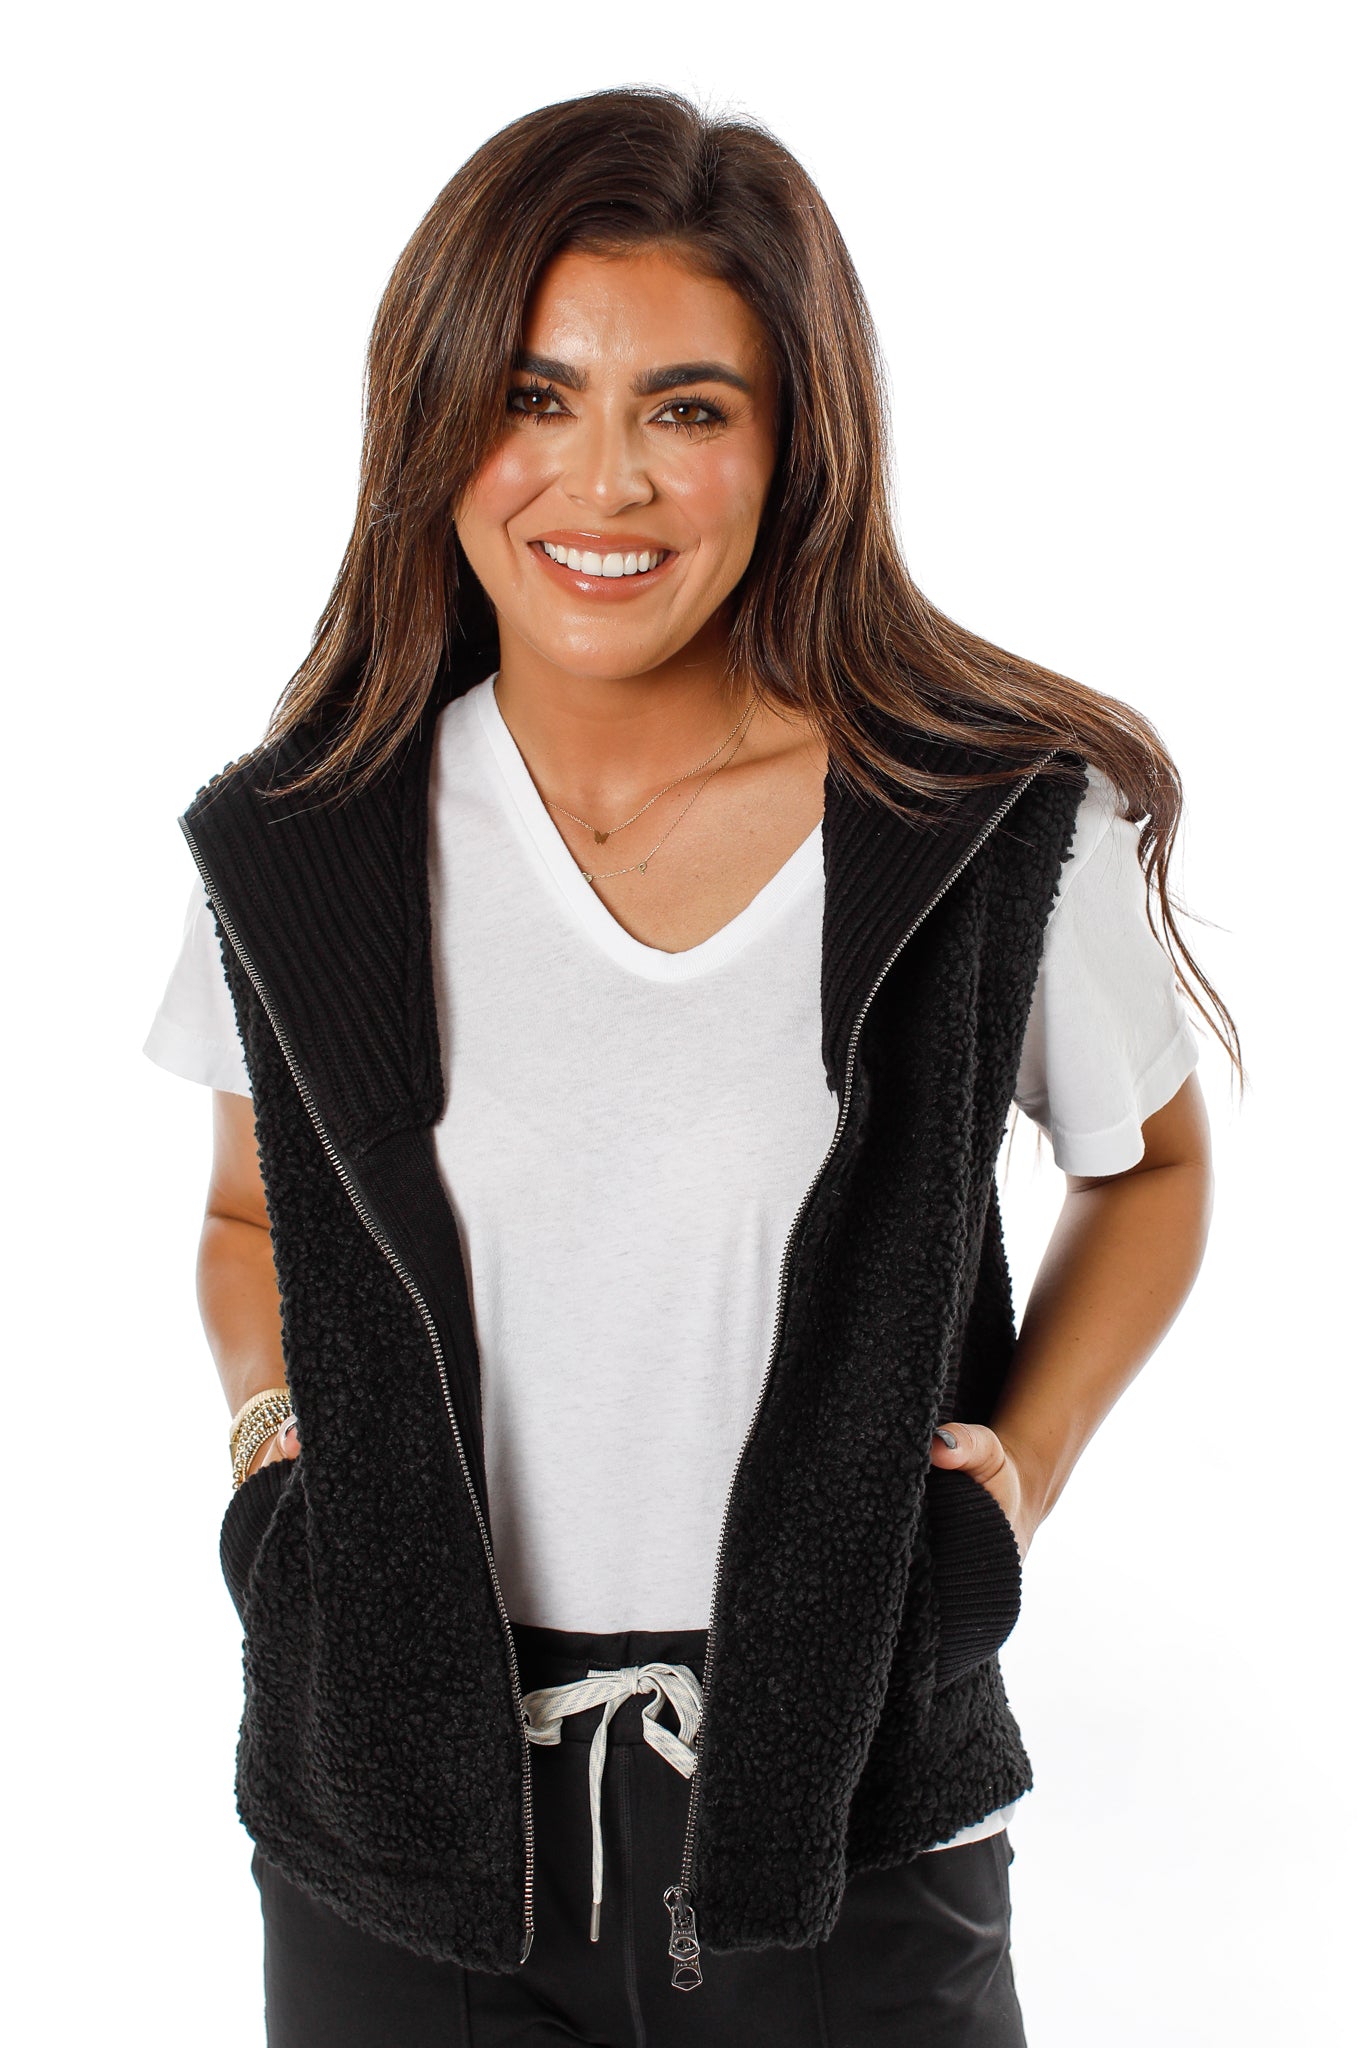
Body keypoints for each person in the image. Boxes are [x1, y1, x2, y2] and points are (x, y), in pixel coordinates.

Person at [143, 85, 1236, 2048]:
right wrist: (264, 1447)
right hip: (393, 1832)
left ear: (791, 442)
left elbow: (1146, 1168)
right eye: (534, 396)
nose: (605, 482)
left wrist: (1011, 1483)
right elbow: (246, 1214)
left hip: (840, 1815)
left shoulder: (974, 832)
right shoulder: (309, 843)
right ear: (434, 421)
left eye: (687, 408)